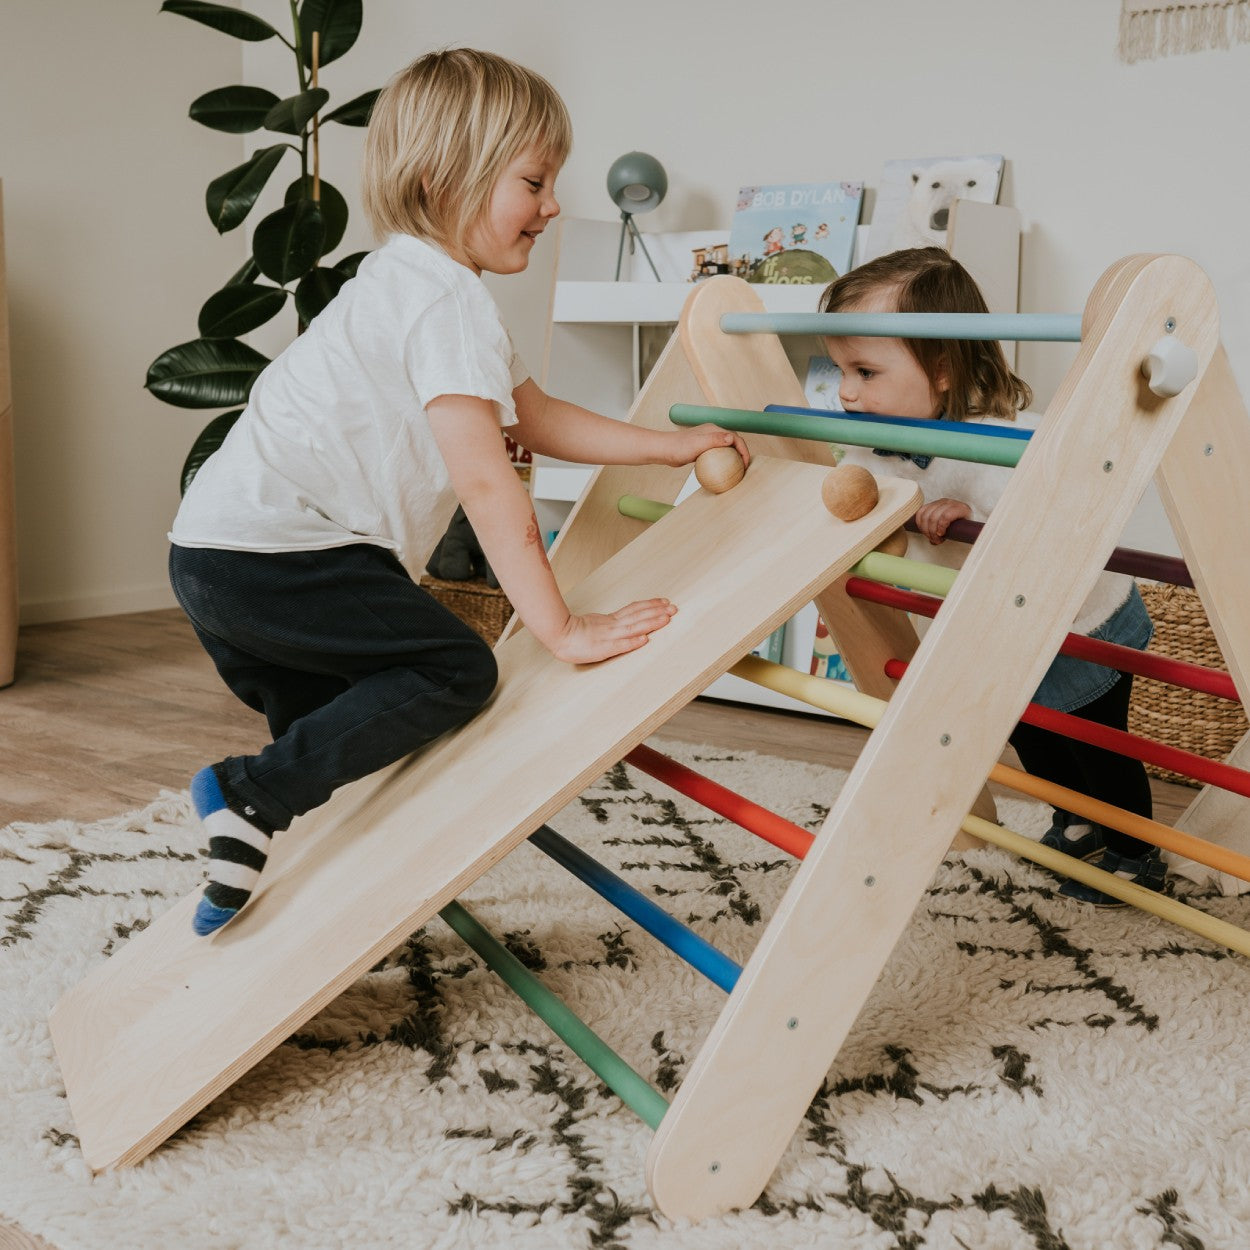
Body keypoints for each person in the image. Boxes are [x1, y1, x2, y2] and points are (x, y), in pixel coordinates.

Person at [168, 48, 749, 936]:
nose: (553, 206)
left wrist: (671, 447)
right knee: (453, 669)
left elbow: (536, 417)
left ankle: (256, 869)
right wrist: (560, 628)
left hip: (214, 553)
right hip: (282, 550)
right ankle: (246, 797)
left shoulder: (407, 283)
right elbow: (487, 479)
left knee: (348, 735)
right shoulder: (445, 306)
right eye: (534, 181)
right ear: (446, 180)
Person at [819, 247, 1161, 906]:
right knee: (1030, 730)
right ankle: (1074, 817)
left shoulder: (1002, 437)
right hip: (998, 634)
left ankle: (1134, 849)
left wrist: (976, 513)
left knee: (1096, 744)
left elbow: (1056, 511)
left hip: (1080, 625)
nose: (846, 392)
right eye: (839, 370)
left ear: (942, 369)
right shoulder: (871, 445)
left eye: (864, 371)